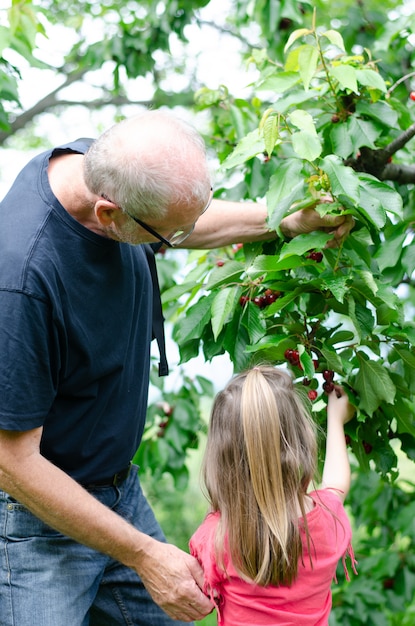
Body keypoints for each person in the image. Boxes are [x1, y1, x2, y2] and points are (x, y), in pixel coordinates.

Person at [0, 109, 354, 626]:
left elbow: (175, 218)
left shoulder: (110, 163)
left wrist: (281, 219)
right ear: (109, 215)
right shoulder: (22, 282)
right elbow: (11, 461)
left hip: (118, 492)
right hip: (39, 522)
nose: (182, 238)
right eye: (170, 236)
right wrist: (144, 555)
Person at [190, 365, 357, 625]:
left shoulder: (215, 539)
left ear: (222, 461)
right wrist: (335, 419)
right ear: (301, 440)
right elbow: (336, 484)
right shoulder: (326, 522)